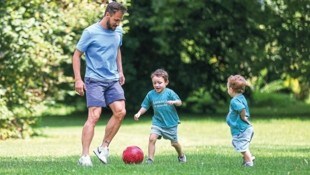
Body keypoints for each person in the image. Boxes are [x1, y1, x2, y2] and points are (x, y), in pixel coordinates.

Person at [72, 2, 127, 166]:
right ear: (108, 14)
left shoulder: (118, 30)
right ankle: (84, 156)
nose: (118, 23)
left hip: (112, 79)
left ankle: (103, 147)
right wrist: (78, 79)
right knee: (94, 116)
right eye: (116, 19)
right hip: (94, 79)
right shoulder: (90, 32)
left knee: (121, 112)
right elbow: (76, 56)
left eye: (120, 20)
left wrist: (120, 71)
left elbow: (117, 48)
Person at [134, 69, 186, 164]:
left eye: (160, 83)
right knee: (152, 138)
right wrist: (139, 113)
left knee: (174, 143)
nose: (157, 85)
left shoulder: (169, 93)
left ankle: (181, 155)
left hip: (171, 123)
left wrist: (174, 102)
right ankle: (150, 159)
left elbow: (180, 102)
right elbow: (145, 106)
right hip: (157, 122)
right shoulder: (150, 94)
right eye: (154, 83)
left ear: (166, 82)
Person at [226, 75, 255, 167]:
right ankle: (248, 157)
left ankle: (249, 162)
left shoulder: (234, 101)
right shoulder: (241, 97)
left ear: (231, 89)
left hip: (241, 129)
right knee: (238, 143)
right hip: (245, 129)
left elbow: (242, 108)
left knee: (241, 146)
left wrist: (243, 117)